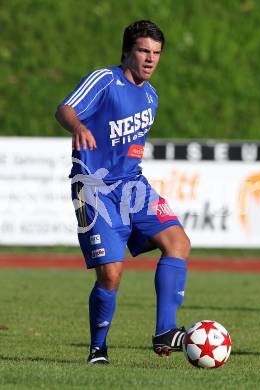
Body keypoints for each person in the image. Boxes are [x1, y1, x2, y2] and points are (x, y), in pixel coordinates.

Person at [55, 20, 190, 365]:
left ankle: (165, 330)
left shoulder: (151, 95)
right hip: (94, 186)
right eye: (144, 51)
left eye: (157, 53)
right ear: (128, 51)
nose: (150, 59)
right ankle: (98, 349)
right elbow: (64, 109)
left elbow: (131, 148)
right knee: (112, 273)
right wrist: (79, 126)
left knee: (178, 243)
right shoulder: (105, 80)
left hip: (132, 185)